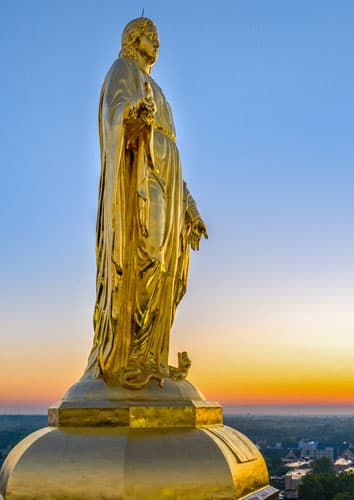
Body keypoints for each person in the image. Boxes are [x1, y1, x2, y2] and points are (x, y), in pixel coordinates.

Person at [85, 17, 208, 389]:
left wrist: (190, 207)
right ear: (132, 39)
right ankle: (131, 354)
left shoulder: (159, 89)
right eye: (149, 36)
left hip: (167, 176)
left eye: (157, 38)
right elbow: (114, 115)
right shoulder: (122, 69)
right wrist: (133, 116)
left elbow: (171, 146)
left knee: (167, 266)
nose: (156, 43)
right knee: (147, 255)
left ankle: (152, 355)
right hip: (142, 173)